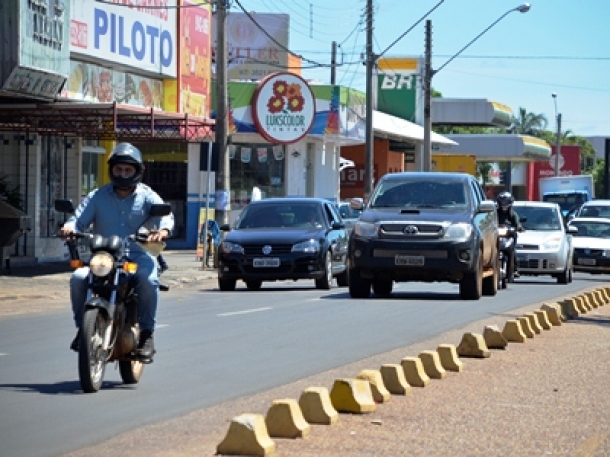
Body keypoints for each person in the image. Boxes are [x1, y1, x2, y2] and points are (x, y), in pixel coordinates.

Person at [59, 142, 174, 362]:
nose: (122, 174)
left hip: (138, 255)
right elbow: (78, 220)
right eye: (118, 169)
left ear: (137, 171)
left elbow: (165, 216)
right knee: (78, 278)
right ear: (111, 170)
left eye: (127, 170)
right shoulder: (98, 196)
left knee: (148, 280)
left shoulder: (147, 196)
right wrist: (70, 228)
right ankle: (81, 330)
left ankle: (148, 334)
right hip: (105, 257)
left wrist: (163, 230)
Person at [496, 191, 523, 278]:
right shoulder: (495, 213)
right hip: (497, 236)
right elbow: (489, 222)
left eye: (506, 202)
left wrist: (519, 228)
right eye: (502, 202)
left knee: (511, 250)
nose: (504, 204)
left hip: (509, 236)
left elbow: (517, 222)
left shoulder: (513, 214)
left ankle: (514, 269)